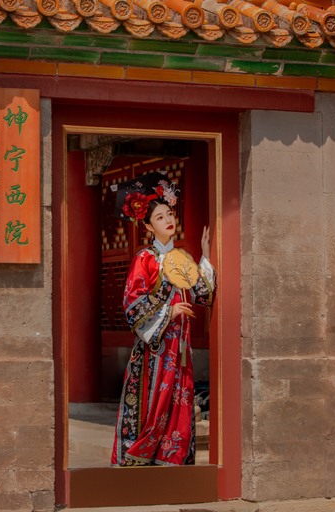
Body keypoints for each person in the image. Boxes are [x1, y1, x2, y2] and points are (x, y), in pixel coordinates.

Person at [111, 177, 216, 467]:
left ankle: (174, 462)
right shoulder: (145, 258)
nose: (168, 219)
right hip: (155, 351)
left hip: (179, 349)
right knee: (153, 406)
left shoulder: (181, 258)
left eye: (169, 214)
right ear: (148, 226)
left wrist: (205, 255)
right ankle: (140, 459)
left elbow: (204, 296)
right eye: (159, 217)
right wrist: (168, 312)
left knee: (180, 404)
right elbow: (132, 304)